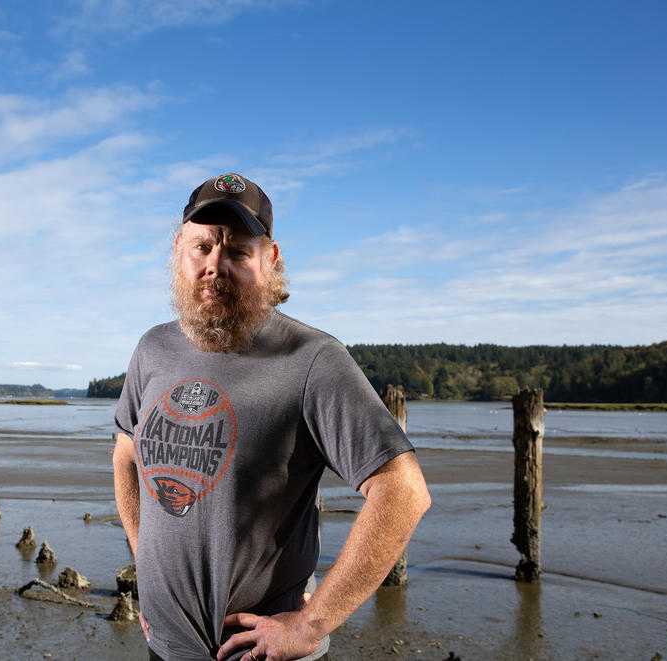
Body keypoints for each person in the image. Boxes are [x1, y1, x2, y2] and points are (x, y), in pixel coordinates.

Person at [113, 173, 430, 661]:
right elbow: (127, 457)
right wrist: (147, 569)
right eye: (202, 248)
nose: (214, 266)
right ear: (179, 249)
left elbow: (403, 493)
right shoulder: (153, 348)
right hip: (165, 645)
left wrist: (310, 623)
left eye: (237, 251)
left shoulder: (312, 360)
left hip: (258, 654)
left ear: (270, 259)